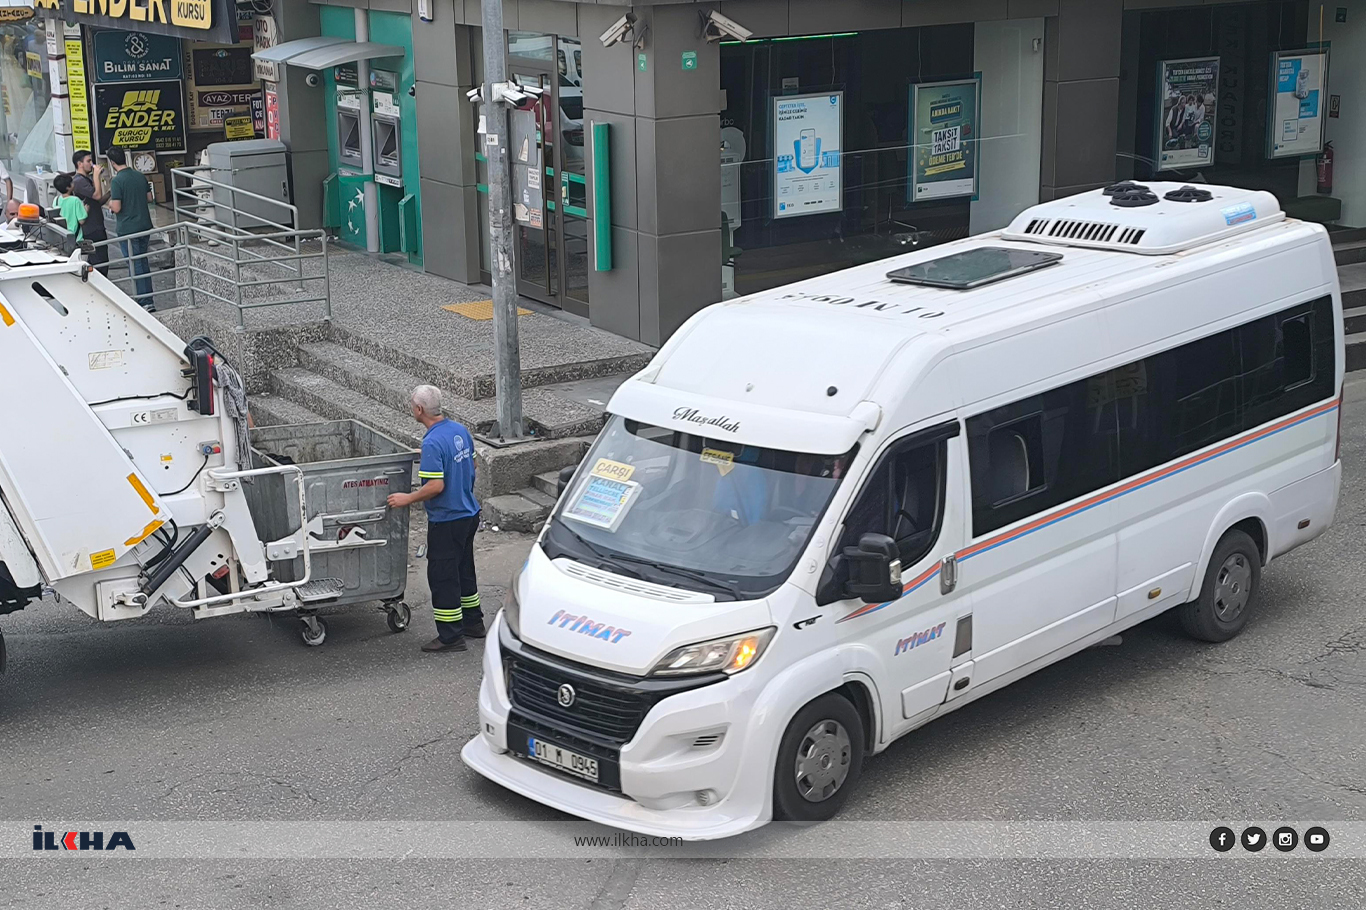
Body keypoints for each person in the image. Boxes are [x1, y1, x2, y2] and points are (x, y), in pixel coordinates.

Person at [387, 385, 484, 652]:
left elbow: (435, 487)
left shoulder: (431, 442)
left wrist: (406, 498)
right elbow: (472, 465)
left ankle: (451, 636)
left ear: (419, 410)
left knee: (442, 576)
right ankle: (473, 623)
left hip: (447, 519)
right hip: (469, 513)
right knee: (464, 569)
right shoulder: (459, 430)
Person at [106, 148, 155, 310]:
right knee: (143, 261)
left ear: (112, 163)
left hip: (128, 228)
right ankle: (149, 298)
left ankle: (144, 301)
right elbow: (150, 198)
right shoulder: (139, 175)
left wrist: (110, 205)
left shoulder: (117, 181)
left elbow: (117, 207)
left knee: (135, 264)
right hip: (144, 224)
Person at [71, 150, 110, 275]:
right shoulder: (79, 181)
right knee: (98, 261)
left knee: (102, 259)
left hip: (96, 226)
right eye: (88, 161)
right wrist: (96, 176)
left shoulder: (84, 180)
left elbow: (96, 202)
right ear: (80, 164)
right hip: (90, 229)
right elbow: (97, 195)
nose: (91, 164)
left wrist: (110, 193)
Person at [52, 173, 89, 241]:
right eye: (72, 182)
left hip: (62, 237)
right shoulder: (75, 200)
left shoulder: (56, 200)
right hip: (75, 237)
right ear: (68, 187)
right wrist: (86, 210)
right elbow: (81, 221)